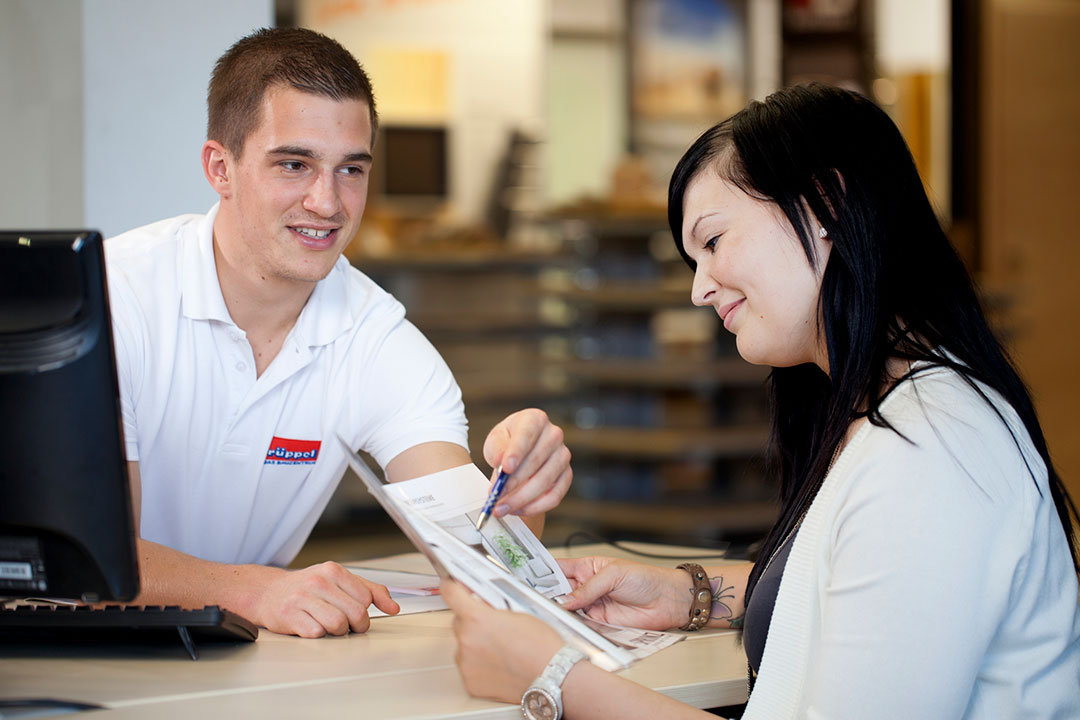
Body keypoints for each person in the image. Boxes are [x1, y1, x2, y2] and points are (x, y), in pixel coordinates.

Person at [442, 83, 1080, 719]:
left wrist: (554, 678)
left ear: (825, 205)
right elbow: (855, 590)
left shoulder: (929, 454)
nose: (699, 290)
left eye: (713, 242)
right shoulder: (889, 414)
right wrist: (691, 594)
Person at [104, 27, 572, 639]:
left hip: (239, 661)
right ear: (220, 167)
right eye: (294, 164)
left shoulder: (377, 337)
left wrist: (516, 499)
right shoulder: (120, 298)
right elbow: (92, 563)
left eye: (350, 169)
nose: (327, 202)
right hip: (78, 664)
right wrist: (253, 588)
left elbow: (480, 566)